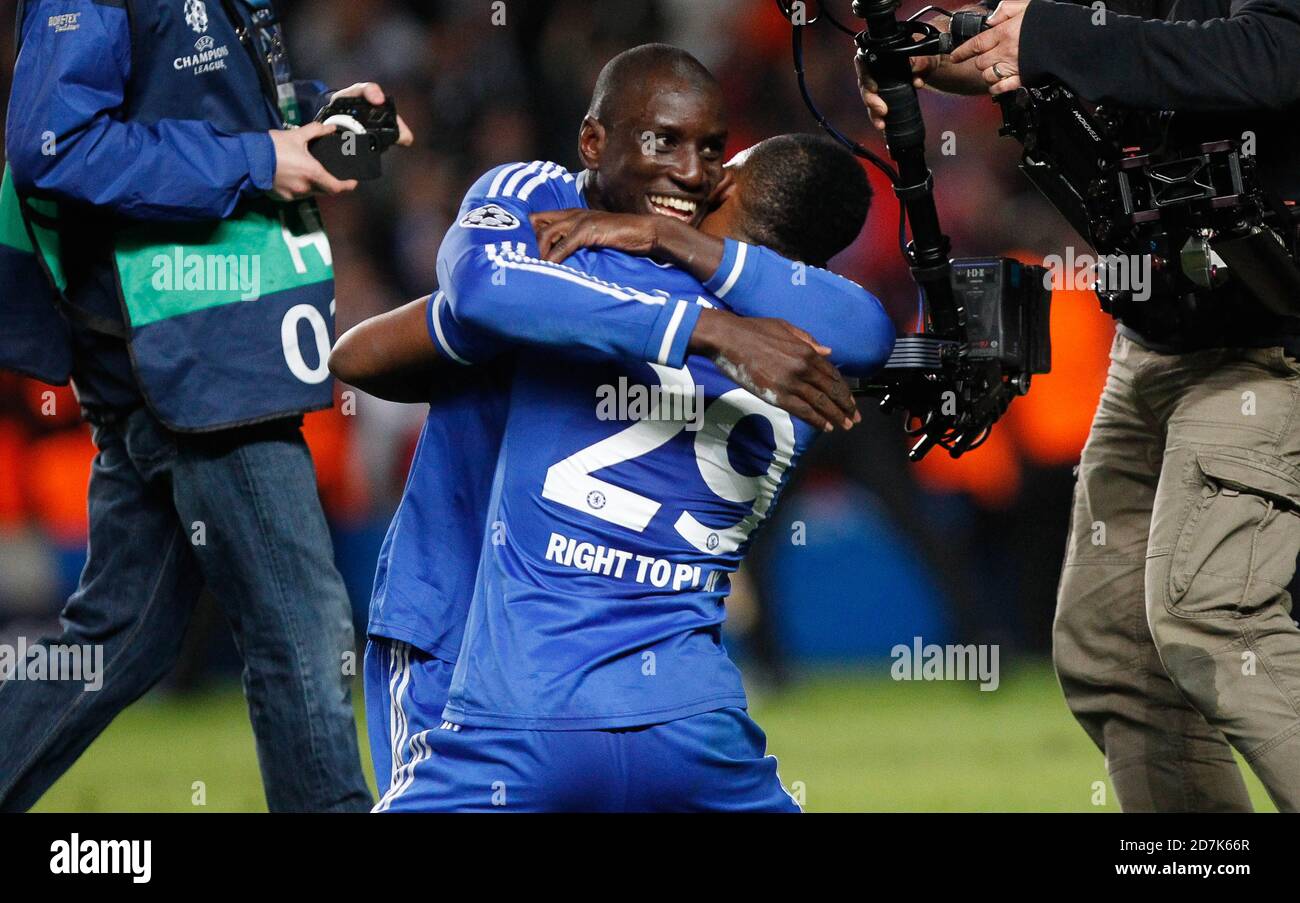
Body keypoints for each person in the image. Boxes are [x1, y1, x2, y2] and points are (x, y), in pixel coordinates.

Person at [330, 44, 873, 808]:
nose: (695, 174)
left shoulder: (590, 266)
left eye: (715, 154)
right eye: (667, 142)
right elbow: (871, 329)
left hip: (530, 662)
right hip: (466, 604)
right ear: (593, 141)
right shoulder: (793, 342)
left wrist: (650, 279)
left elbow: (372, 346)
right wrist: (701, 321)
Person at [862, 0, 1300, 811]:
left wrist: (1050, 35)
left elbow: (1278, 53)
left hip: (1271, 332)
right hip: (1158, 332)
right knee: (1114, 651)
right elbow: (1112, 49)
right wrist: (967, 51)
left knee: (1214, 619)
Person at [0, 0, 409, 812]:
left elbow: (201, 110)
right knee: (303, 625)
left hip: (201, 345)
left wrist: (314, 117)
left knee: (120, 638)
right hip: (190, 348)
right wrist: (258, 156)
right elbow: (53, 145)